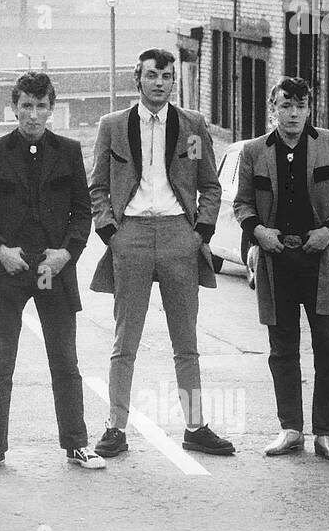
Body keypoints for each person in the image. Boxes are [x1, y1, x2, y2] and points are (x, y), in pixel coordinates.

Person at [88, 48, 233, 456]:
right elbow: (97, 185)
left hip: (178, 236)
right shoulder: (113, 126)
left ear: (174, 81)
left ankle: (195, 425)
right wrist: (111, 232)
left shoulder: (191, 126)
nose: (159, 83)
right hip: (129, 235)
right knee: (125, 340)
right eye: (151, 75)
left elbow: (210, 185)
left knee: (185, 341)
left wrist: (199, 233)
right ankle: (115, 427)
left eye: (166, 76)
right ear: (138, 79)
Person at [0, 72, 104, 470]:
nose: (33, 115)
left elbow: (82, 212)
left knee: (64, 361)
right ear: (14, 107)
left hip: (52, 271)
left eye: (41, 106)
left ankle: (77, 444)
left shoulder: (69, 150)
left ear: (51, 110)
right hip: (8, 270)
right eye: (26, 106)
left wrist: (66, 254)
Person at [233, 78, 329, 462]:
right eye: (285, 106)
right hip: (276, 260)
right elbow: (241, 204)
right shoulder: (254, 151)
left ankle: (327, 434)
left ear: (310, 109)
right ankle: (290, 429)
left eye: (300, 106)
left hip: (323, 261)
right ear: (273, 108)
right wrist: (258, 232)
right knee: (282, 348)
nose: (292, 114)